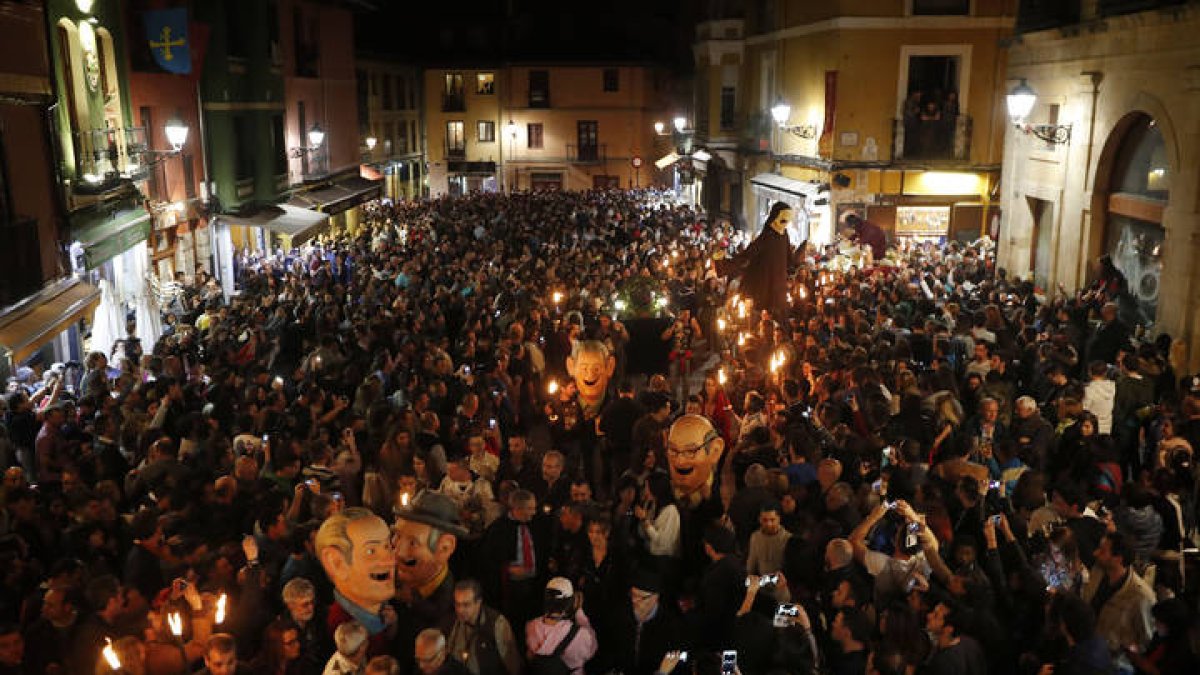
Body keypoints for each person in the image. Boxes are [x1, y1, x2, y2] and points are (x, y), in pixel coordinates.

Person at [316, 509, 397, 657]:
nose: (391, 560)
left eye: (387, 547)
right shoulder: (340, 627)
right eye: (371, 551)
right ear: (336, 563)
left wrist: (391, 626)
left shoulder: (384, 608)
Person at [715, 201, 795, 319]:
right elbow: (746, 256)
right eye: (783, 221)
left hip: (778, 290)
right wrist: (722, 263)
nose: (784, 225)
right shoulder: (766, 237)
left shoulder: (784, 235)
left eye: (787, 222)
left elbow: (790, 259)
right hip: (765, 288)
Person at [446, 578, 523, 675]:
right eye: (457, 604)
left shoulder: (497, 623)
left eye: (466, 605)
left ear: (478, 603)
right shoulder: (453, 622)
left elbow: (512, 664)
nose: (460, 610)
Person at [525, 577, 597, 675]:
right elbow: (591, 650)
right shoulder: (581, 634)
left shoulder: (531, 626)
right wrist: (579, 612)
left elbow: (529, 656)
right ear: (570, 602)